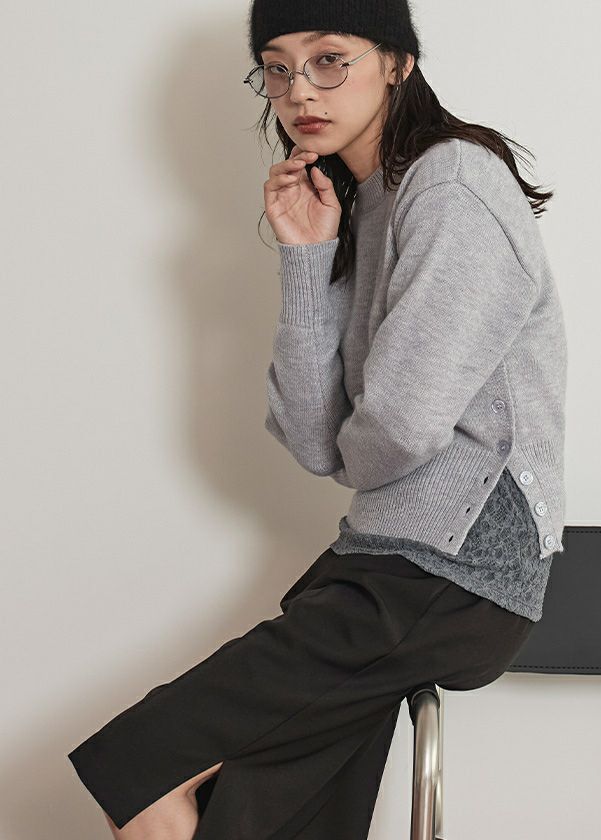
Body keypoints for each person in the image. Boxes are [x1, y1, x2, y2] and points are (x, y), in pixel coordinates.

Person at [66, 1, 568, 838]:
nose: (300, 89)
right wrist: (305, 254)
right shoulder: (363, 199)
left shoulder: (455, 184)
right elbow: (313, 439)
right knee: (260, 814)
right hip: (381, 566)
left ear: (398, 62)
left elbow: (393, 433)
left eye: (330, 59)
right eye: (277, 66)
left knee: (139, 772)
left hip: (453, 573)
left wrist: (354, 444)